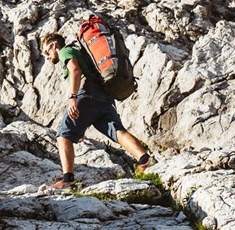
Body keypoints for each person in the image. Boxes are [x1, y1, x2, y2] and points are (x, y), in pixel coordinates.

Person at [41, 31, 152, 188]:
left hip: (86, 93)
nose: (47, 57)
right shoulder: (81, 52)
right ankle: (144, 159)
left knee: (63, 136)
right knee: (116, 130)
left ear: (53, 45)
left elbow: (75, 70)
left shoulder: (65, 51)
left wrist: (72, 97)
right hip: (105, 97)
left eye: (47, 52)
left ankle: (67, 180)